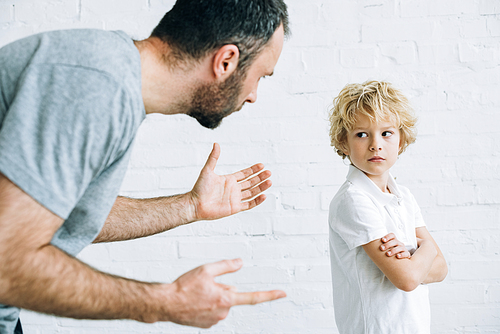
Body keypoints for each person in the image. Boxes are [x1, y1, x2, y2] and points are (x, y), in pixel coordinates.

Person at [0, 0, 290, 332]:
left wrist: (190, 206)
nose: (253, 95)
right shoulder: (97, 87)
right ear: (225, 61)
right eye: (260, 77)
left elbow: (61, 215)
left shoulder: (108, 74)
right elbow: (7, 266)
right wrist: (166, 302)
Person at [327, 81, 448, 334]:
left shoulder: (403, 196)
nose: (376, 145)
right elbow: (406, 279)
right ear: (343, 142)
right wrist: (425, 247)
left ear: (401, 139)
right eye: (362, 134)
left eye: (386, 133)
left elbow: (441, 269)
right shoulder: (354, 200)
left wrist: (414, 257)